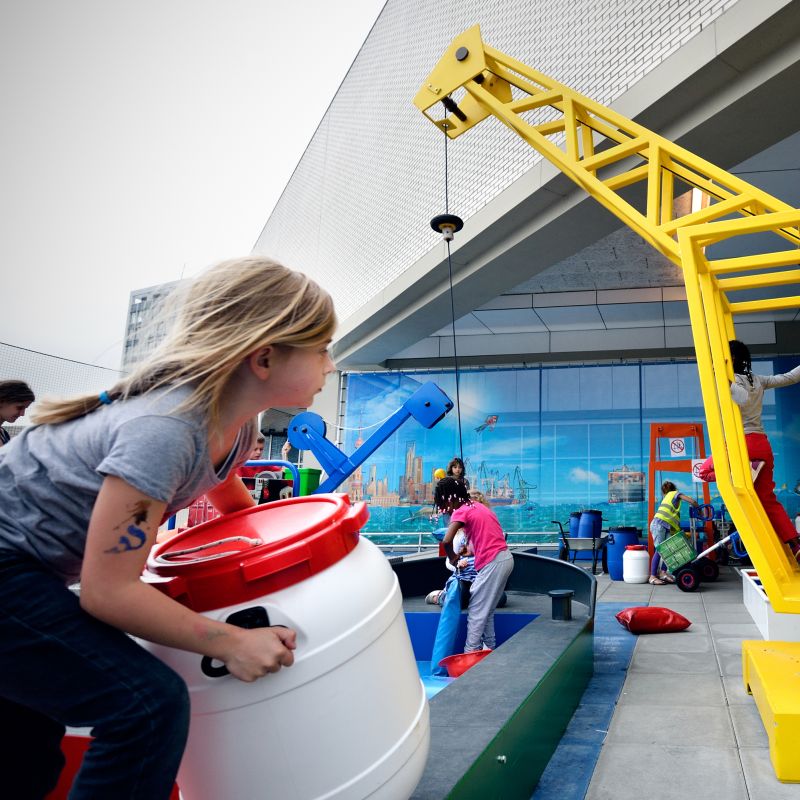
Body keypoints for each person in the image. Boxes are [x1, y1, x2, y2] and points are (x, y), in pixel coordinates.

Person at [0, 256, 336, 799]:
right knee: (145, 706)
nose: (329, 362)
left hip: (30, 578)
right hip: (9, 573)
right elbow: (109, 593)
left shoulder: (234, 428)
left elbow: (240, 521)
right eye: (321, 347)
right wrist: (231, 642)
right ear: (265, 358)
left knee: (24, 749)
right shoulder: (166, 430)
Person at [698, 340, 800, 563]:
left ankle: (739, 472)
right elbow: (790, 377)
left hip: (739, 444)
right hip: (761, 444)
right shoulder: (758, 380)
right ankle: (794, 543)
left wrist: (723, 381)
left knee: (702, 472)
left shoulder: (731, 381)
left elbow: (741, 398)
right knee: (768, 499)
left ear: (730, 358)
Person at [434, 477, 513, 652]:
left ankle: (471, 654)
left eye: (443, 503)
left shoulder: (460, 511)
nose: (444, 509)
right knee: (488, 610)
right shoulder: (478, 507)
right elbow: (485, 539)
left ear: (449, 498)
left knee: (476, 612)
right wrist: (467, 552)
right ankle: (489, 649)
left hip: (492, 563)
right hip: (505, 558)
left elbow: (446, 541)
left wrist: (454, 559)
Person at [649, 481, 699, 585]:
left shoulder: (668, 500)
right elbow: (692, 501)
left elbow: (673, 522)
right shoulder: (673, 493)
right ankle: (652, 576)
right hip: (658, 525)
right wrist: (699, 510)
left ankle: (663, 573)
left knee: (669, 550)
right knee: (660, 551)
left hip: (665, 526)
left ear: (663, 492)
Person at [0, 380, 35, 446]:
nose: (22, 414)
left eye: (25, 408)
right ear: (2, 401)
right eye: (19, 407)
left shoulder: (4, 434)